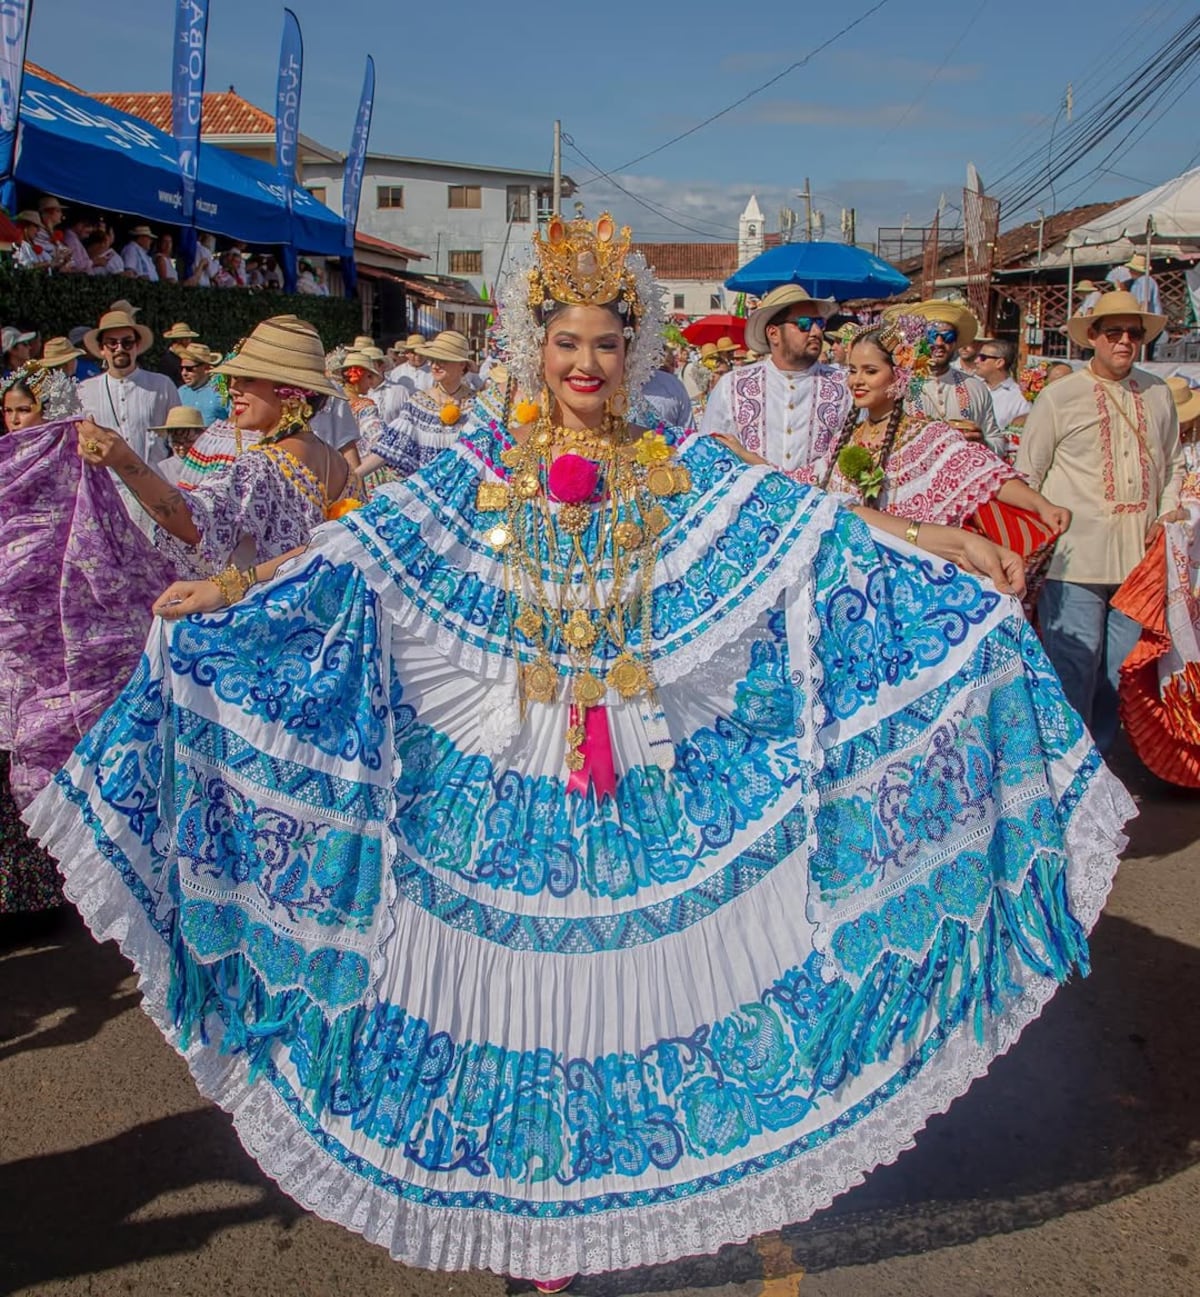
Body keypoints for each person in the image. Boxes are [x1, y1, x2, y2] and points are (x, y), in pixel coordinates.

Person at [24, 213, 1132, 1286]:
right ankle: (527, 1213)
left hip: (650, 771)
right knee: (498, 991)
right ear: (535, 347)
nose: (587, 362)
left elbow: (801, 520)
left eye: (607, 341)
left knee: (642, 991)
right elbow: (363, 543)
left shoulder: (672, 456)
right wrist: (232, 584)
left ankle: (605, 1205)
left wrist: (928, 533)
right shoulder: (485, 460)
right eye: (567, 342)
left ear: (632, 348)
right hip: (507, 778)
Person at [1016, 289, 1185, 753]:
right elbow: (1025, 476)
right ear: (1093, 337)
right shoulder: (1058, 397)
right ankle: (1066, 764)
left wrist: (1168, 508)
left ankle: (1102, 769)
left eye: (1134, 333)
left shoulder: (1158, 394)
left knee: (1120, 672)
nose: (1125, 341)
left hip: (1137, 561)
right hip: (1075, 559)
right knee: (1074, 664)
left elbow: (1173, 465)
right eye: (1114, 332)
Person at [75, 315, 358, 577]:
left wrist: (123, 459)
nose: (234, 388)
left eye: (248, 379)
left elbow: (193, 522)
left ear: (289, 392)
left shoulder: (264, 465)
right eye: (233, 378)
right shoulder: (337, 464)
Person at [809, 318, 1069, 534]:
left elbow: (985, 476)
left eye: (870, 371)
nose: (857, 380)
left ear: (899, 375)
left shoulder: (927, 436)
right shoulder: (848, 440)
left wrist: (1042, 506)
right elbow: (810, 479)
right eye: (853, 370)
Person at [700, 285, 849, 477]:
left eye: (819, 323)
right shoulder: (732, 386)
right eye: (804, 323)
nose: (816, 332)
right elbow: (709, 454)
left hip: (823, 503)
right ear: (773, 334)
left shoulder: (843, 385)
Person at [355, 330, 476, 480]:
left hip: (463, 491)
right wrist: (355, 476)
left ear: (461, 365)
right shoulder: (418, 403)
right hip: (427, 490)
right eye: (433, 360)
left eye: (443, 360)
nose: (435, 366)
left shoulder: (476, 405)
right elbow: (390, 446)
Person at [888, 300, 1003, 455]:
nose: (939, 343)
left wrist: (983, 443)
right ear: (918, 340)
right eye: (932, 336)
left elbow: (996, 439)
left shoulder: (975, 387)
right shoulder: (898, 385)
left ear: (955, 343)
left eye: (948, 337)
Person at [77, 309, 179, 473]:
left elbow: (179, 438)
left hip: (156, 483)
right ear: (102, 349)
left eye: (127, 342)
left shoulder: (162, 385)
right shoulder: (85, 391)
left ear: (137, 346)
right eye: (112, 343)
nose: (119, 348)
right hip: (107, 487)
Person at [974, 338, 1032, 431]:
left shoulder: (1020, 398)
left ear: (999, 363)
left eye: (983, 357)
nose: (976, 361)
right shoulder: (972, 387)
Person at [149, 406, 208, 485]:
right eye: (177, 442)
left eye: (189, 441)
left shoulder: (211, 466)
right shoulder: (161, 469)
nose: (182, 447)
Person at [177, 344, 231, 424]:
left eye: (189, 369)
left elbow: (235, 418)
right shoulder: (180, 392)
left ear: (206, 368)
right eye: (181, 368)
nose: (183, 373)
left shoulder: (220, 390)